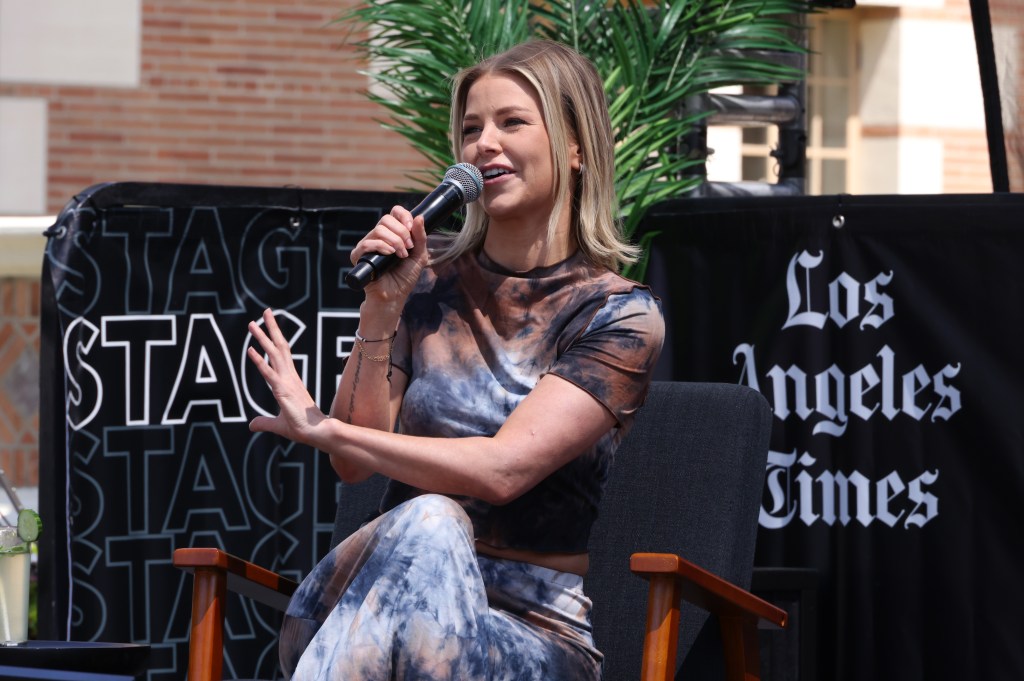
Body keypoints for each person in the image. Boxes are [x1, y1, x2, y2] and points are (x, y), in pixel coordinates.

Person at [246, 39, 665, 680]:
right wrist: (382, 308)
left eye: (512, 122)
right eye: (471, 129)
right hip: (377, 590)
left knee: (436, 517)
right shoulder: (426, 280)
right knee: (429, 525)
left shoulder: (617, 316)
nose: (484, 144)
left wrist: (324, 426)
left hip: (529, 630)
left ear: (576, 148)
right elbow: (353, 464)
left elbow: (502, 471)